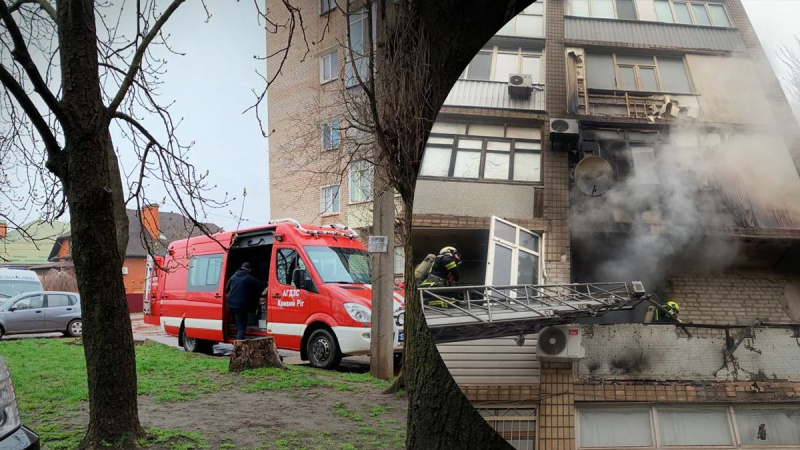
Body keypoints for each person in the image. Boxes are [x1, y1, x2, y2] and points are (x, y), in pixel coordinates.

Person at [225, 262, 268, 340]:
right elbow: (260, 285)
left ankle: (238, 337)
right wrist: (266, 283)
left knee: (238, 323)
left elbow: (226, 289)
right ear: (249, 270)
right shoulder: (248, 277)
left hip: (231, 304)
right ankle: (239, 347)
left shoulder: (233, 276)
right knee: (242, 328)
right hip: (240, 306)